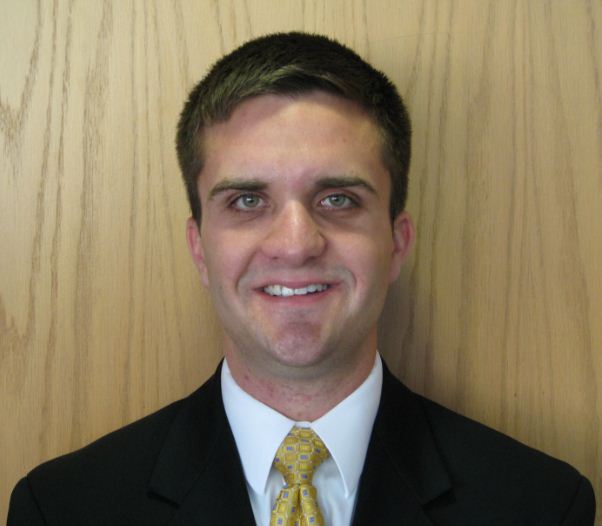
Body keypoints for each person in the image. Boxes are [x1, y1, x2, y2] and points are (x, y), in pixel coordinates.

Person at [8, 32, 595, 526]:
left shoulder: (542, 507)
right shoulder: (61, 509)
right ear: (199, 248)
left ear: (396, 243)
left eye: (338, 198)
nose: (294, 244)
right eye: (247, 201)